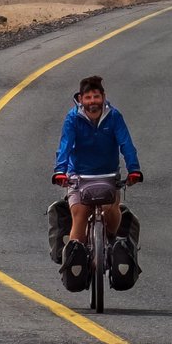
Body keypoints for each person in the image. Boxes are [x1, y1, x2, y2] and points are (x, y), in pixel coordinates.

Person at [53, 75, 141, 285]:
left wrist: (134, 169)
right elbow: (65, 145)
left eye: (96, 96)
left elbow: (126, 144)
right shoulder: (73, 118)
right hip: (78, 176)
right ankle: (77, 260)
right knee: (80, 213)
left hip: (108, 175)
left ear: (103, 97)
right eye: (88, 97)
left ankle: (111, 244)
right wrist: (60, 172)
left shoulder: (114, 116)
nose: (93, 101)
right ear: (80, 99)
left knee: (112, 210)